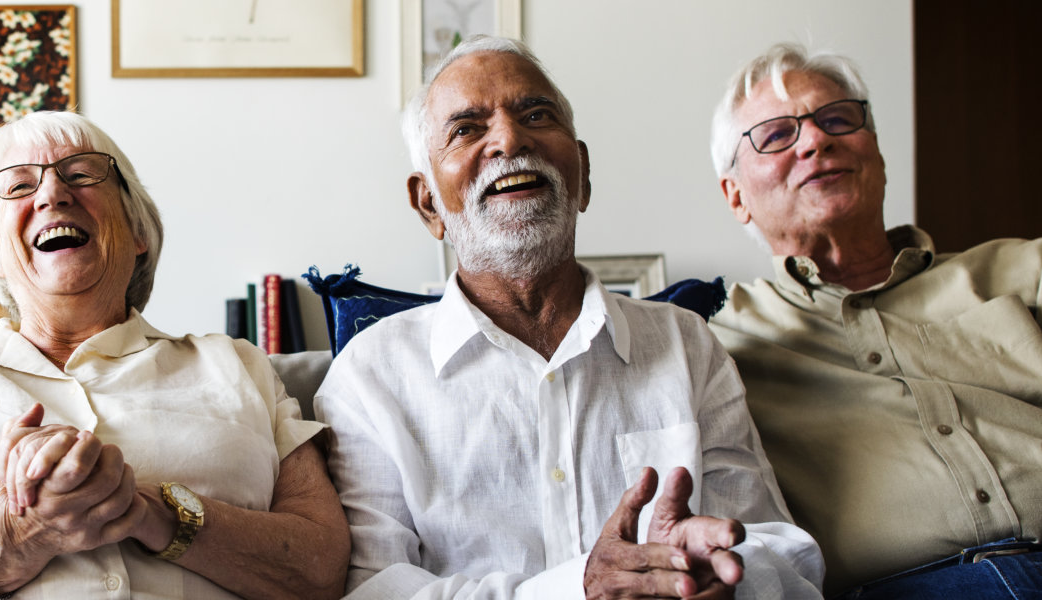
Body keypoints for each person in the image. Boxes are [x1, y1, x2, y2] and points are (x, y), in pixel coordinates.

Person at [316, 36, 823, 600]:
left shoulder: (688, 346)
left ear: (581, 172)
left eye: (536, 114)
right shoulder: (370, 376)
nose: (510, 139)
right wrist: (577, 589)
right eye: (466, 129)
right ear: (429, 205)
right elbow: (373, 592)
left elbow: (781, 554)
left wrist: (722, 578)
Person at [707, 42, 1042, 597]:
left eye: (837, 119)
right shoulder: (716, 341)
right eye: (778, 135)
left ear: (873, 150)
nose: (816, 139)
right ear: (736, 196)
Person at [0, 111, 350, 599]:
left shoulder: (240, 366)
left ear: (138, 230)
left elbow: (322, 569)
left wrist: (149, 508)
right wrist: (1, 543)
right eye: (17, 186)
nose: (51, 195)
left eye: (82, 174)